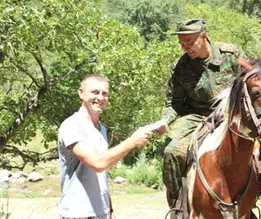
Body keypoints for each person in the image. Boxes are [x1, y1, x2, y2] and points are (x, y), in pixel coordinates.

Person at [160, 18, 248, 218]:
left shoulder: (232, 54)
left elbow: (250, 83)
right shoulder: (181, 67)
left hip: (231, 115)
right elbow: (173, 103)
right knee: (172, 152)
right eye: (182, 43)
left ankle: (250, 202)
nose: (185, 47)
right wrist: (165, 121)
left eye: (189, 41)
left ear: (204, 36)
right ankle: (178, 205)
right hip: (197, 115)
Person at [57, 74, 167, 219]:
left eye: (105, 94)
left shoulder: (101, 129)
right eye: (95, 92)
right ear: (81, 93)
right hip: (76, 214)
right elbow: (97, 163)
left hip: (101, 213)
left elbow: (101, 174)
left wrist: (109, 209)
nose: (100, 98)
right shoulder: (71, 126)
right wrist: (132, 141)